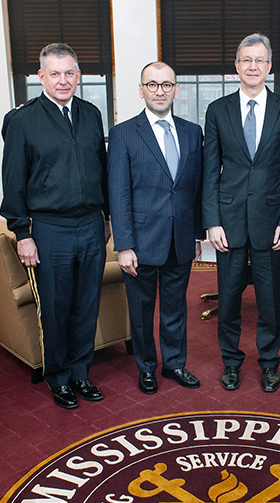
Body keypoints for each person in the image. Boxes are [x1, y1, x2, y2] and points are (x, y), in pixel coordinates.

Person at [0, 43, 111, 409]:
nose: (63, 81)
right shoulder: (21, 121)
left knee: (86, 305)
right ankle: (59, 377)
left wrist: (107, 218)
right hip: (49, 230)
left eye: (69, 73)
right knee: (56, 307)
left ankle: (81, 372)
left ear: (78, 76)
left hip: (91, 226)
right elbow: (13, 182)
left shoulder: (92, 114)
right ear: (40, 77)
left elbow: (103, 170)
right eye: (55, 73)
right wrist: (23, 234)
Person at [202, 33, 280, 393]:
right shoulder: (217, 110)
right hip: (227, 224)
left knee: (269, 301)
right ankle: (231, 362)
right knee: (228, 300)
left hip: (270, 222)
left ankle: (269, 364)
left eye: (260, 60)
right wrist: (211, 221)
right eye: (247, 60)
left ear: (270, 66)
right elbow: (209, 171)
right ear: (237, 66)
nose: (253, 66)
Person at [108, 62, 203, 395]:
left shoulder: (193, 132)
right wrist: (124, 245)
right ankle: (146, 367)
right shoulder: (123, 134)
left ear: (176, 90)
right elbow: (118, 193)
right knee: (142, 310)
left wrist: (196, 234)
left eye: (166, 85)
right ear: (141, 89)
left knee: (176, 307)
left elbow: (196, 188)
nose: (160, 91)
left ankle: (174, 363)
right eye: (152, 85)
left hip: (180, 240)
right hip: (141, 242)